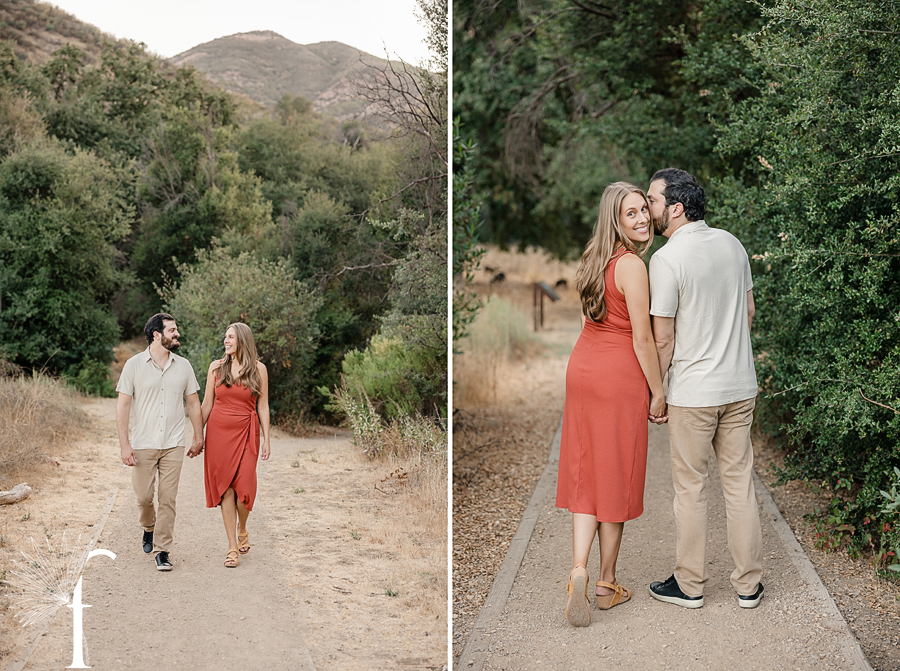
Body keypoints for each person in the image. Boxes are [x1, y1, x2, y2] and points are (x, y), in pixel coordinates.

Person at [646, 167, 764, 609]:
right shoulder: (733, 244)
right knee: (739, 484)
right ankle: (748, 586)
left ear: (675, 208)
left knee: (691, 488)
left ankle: (690, 585)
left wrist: (657, 392)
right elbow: (748, 312)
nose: (649, 209)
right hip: (739, 387)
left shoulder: (667, 259)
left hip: (693, 394)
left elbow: (663, 337)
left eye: (654, 201)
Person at [556, 182, 667, 627]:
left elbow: (587, 319)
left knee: (588, 474)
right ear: (616, 221)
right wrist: (658, 391)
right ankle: (605, 583)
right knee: (615, 474)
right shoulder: (632, 267)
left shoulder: (590, 259)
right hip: (618, 375)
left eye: (644, 209)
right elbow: (642, 337)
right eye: (631, 214)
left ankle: (577, 569)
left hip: (582, 369)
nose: (642, 219)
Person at [116, 313, 203, 572]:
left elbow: (193, 403)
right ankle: (148, 527)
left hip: (174, 442)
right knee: (144, 497)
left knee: (168, 499)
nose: (177, 334)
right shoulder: (133, 365)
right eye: (172, 330)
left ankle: (162, 550)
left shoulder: (184, 366)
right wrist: (124, 444)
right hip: (144, 442)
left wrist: (198, 436)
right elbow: (123, 405)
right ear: (157, 334)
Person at [201, 323, 271, 568]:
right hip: (218, 434)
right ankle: (232, 547)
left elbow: (263, 406)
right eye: (225, 337)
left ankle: (243, 528)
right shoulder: (216, 368)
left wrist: (267, 439)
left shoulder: (259, 370)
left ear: (242, 339)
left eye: (230, 337)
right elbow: (207, 404)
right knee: (226, 490)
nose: (225, 341)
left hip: (247, 432)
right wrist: (198, 434)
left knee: (245, 489)